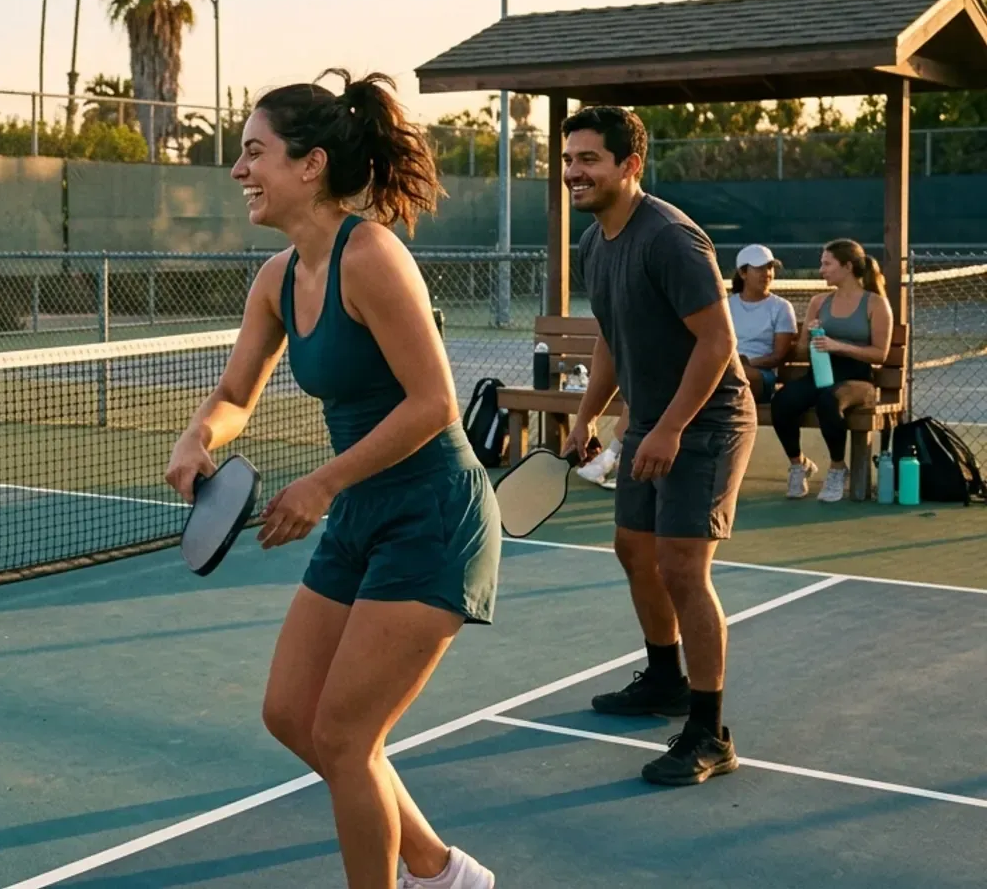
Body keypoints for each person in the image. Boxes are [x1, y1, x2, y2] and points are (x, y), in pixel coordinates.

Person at [166, 70, 500, 889]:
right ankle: (442, 872)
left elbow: (433, 404)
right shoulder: (277, 278)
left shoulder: (373, 256)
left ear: (309, 165)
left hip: (432, 515)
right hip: (362, 515)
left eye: (254, 153)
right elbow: (238, 393)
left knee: (347, 737)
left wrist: (319, 485)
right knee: (291, 715)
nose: (240, 171)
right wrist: (198, 434)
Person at [558, 106, 757, 787]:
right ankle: (666, 679)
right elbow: (611, 337)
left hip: (709, 420)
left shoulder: (670, 239)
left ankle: (710, 731)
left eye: (588, 160)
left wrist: (670, 428)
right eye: (567, 159)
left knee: (680, 567)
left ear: (629, 166)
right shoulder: (595, 244)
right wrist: (588, 416)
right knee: (632, 549)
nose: (573, 172)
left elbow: (718, 342)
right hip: (651, 419)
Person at [771, 239, 894, 502]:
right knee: (783, 401)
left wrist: (838, 346)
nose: (821, 269)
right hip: (820, 374)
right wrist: (811, 333)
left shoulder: (875, 304)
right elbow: (802, 351)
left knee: (830, 401)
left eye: (827, 264)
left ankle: (838, 468)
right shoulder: (819, 301)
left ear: (847, 266)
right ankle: (798, 464)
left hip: (857, 379)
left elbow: (880, 355)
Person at [725, 243, 798, 405]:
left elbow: (777, 356)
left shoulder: (781, 307)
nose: (767, 274)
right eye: (759, 269)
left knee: (735, 375)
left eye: (770, 268)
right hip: (727, 369)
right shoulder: (726, 306)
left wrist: (745, 363)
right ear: (743, 273)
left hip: (761, 375)